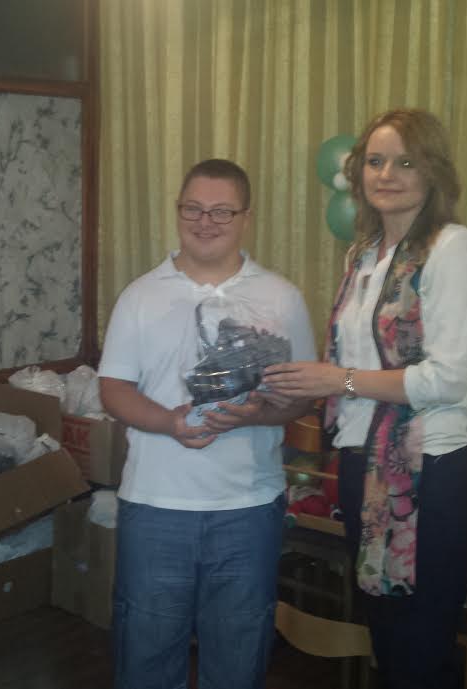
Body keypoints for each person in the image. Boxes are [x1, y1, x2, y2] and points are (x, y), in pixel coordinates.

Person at [264, 108, 467, 689]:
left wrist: (336, 381)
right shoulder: (364, 255)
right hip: (362, 462)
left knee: (421, 643)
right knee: (385, 634)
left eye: (405, 161)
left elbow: (446, 379)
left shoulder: (452, 248)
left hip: (429, 470)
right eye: (375, 161)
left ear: (433, 171)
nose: (387, 174)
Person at [98, 159, 316, 689]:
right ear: (178, 212)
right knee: (145, 653)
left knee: (239, 653)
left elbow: (301, 397)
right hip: (156, 504)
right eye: (192, 209)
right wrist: (168, 422)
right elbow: (113, 390)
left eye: (221, 211)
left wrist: (260, 413)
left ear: (246, 217)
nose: (205, 221)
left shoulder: (281, 298)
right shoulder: (140, 295)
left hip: (248, 506)